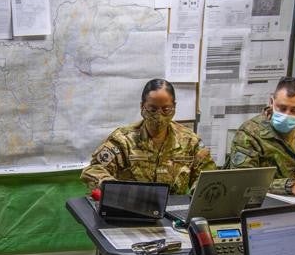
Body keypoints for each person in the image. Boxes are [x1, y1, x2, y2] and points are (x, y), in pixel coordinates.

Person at [80, 78, 215, 195]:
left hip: (173, 213)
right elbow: (93, 170)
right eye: (152, 109)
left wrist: (198, 194)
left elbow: (209, 177)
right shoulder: (123, 140)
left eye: (166, 109)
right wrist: (116, 189)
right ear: (142, 107)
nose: (159, 116)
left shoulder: (190, 141)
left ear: (174, 107)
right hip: (133, 209)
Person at [226, 76, 295, 201]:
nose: (286, 114)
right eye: (282, 108)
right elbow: (243, 181)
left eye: (294, 110)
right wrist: (292, 187)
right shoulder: (249, 133)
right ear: (271, 102)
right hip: (267, 206)